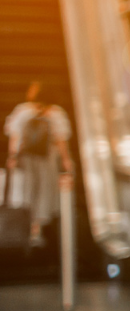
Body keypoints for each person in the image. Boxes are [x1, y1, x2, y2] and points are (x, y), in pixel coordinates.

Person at [5, 81, 72, 247]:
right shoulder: (56, 113)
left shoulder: (22, 111)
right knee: (43, 192)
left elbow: (15, 136)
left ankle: (24, 228)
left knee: (27, 190)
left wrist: (12, 156)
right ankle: (37, 231)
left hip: (26, 159)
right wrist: (65, 159)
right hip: (47, 159)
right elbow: (61, 140)